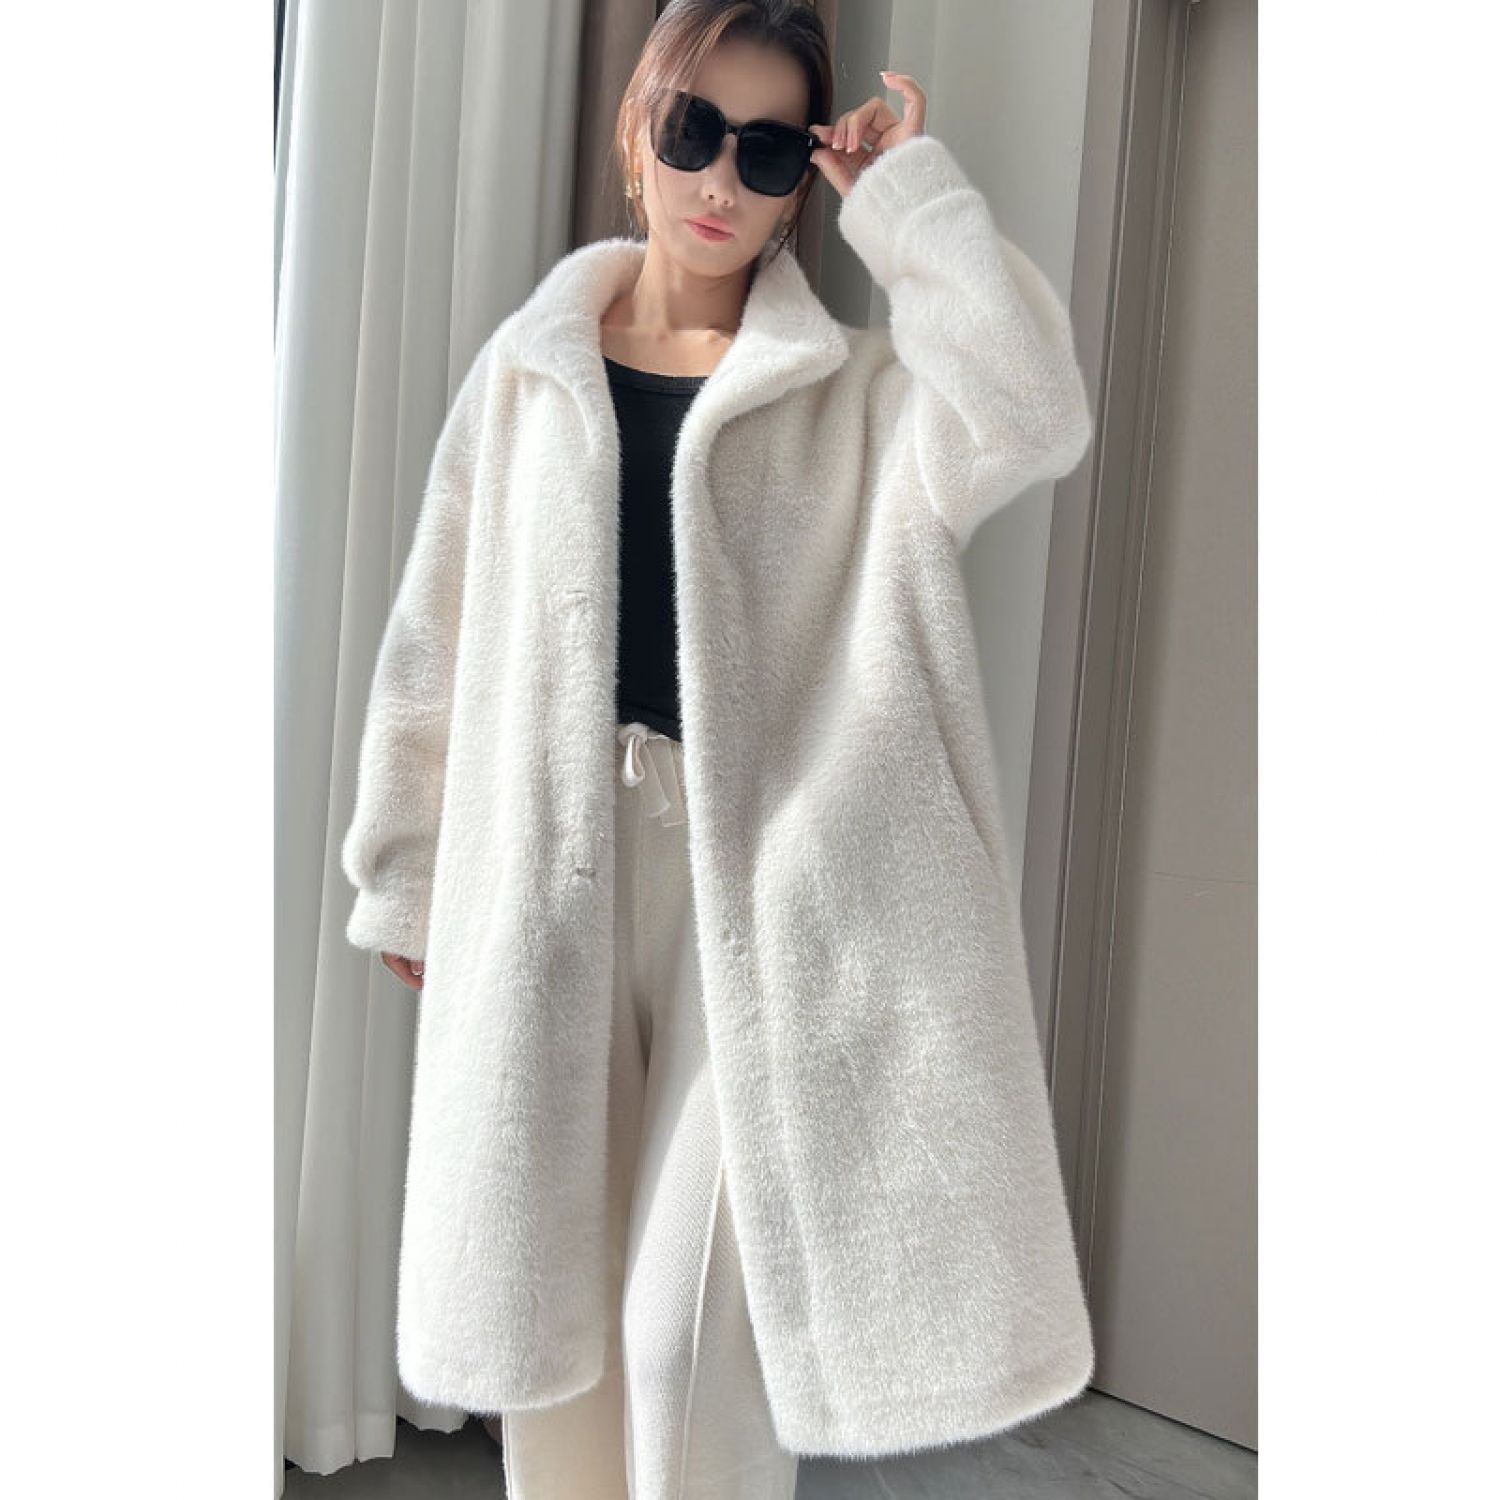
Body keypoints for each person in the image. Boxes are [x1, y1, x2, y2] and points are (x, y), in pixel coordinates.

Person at [341, 0, 1097, 1494]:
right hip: (547, 875)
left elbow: (1031, 410)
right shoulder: (529, 371)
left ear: (801, 180)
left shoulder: (859, 395)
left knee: (683, 1343)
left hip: (765, 892)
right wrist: (407, 875)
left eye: (766, 152)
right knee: (551, 1330)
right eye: (695, 132)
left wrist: (905, 197)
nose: (720, 181)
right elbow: (440, 631)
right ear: (640, 130)